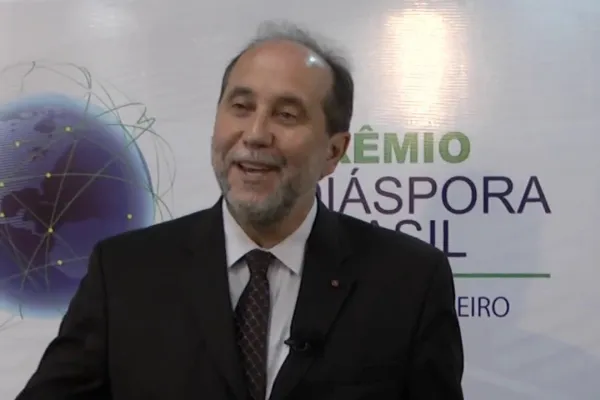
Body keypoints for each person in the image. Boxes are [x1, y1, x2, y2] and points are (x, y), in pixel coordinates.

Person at [15, 21, 464, 400]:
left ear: (333, 151)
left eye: (286, 115)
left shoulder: (409, 282)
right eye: (241, 107)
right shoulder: (123, 273)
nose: (255, 134)